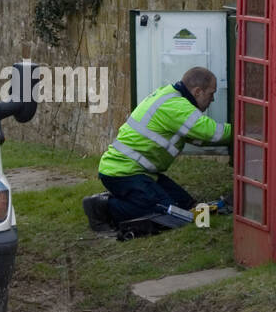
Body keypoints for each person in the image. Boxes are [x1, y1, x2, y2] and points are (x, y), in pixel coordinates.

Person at [84, 66, 232, 233]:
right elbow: (213, 133)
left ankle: (128, 198)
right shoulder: (176, 106)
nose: (212, 100)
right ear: (197, 91)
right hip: (122, 172)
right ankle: (102, 207)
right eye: (211, 94)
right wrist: (246, 131)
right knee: (170, 215)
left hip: (139, 171)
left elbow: (199, 138)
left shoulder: (171, 97)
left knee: (188, 206)